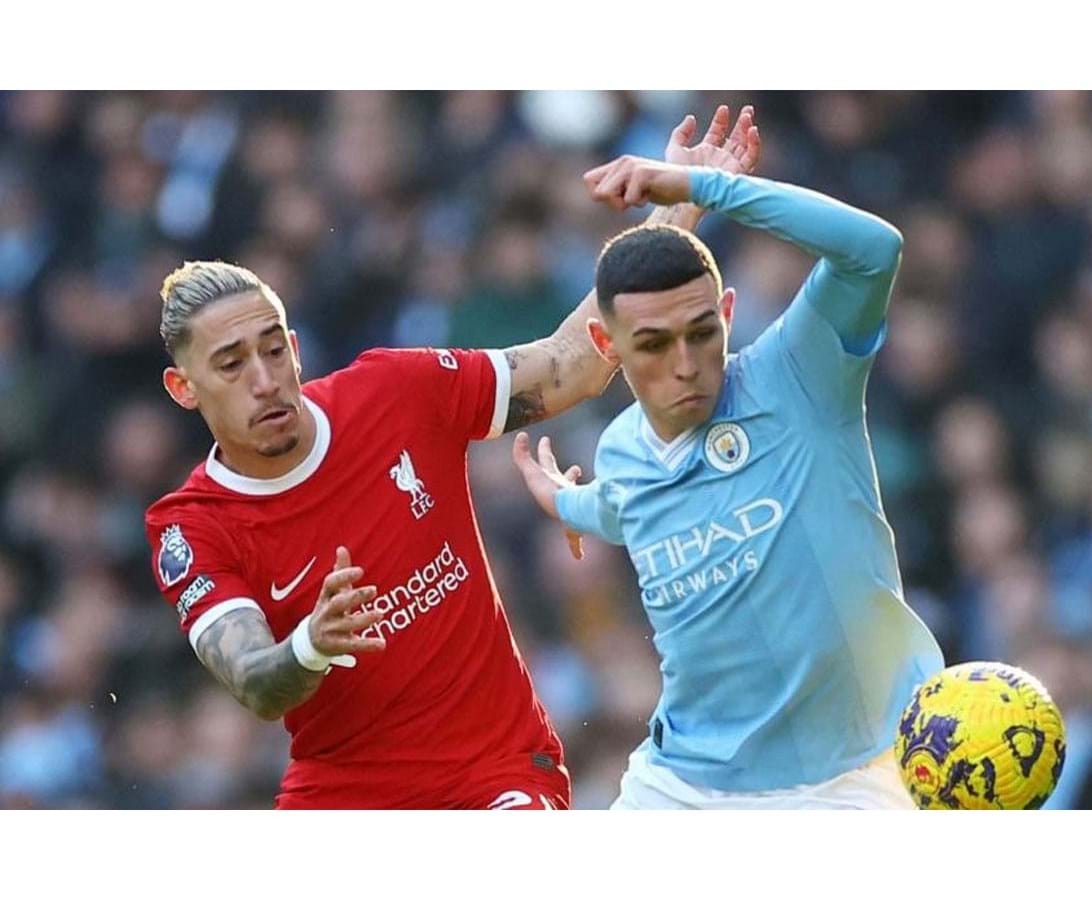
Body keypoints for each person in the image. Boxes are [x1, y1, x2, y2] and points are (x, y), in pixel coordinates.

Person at [143, 106, 761, 810]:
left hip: (494, 776)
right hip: (344, 796)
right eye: (231, 364)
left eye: (274, 347)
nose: (264, 377)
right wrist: (311, 643)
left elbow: (568, 365)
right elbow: (253, 678)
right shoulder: (191, 526)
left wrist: (678, 210)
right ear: (184, 388)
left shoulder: (393, 392)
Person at [511, 154, 945, 809]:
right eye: (654, 344)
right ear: (608, 344)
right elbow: (618, 507)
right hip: (682, 785)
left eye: (700, 332)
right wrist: (562, 502)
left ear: (729, 313)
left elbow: (875, 250)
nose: (685, 365)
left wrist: (705, 189)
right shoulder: (621, 451)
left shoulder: (799, 374)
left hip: (850, 778)